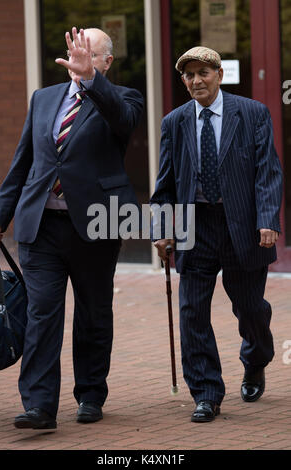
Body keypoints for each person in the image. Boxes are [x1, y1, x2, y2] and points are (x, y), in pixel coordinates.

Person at [0, 27, 143, 429]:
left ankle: (91, 394)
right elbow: (24, 160)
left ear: (106, 62)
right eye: (75, 50)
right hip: (40, 226)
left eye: (89, 53)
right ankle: (40, 406)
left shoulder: (124, 98)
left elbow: (123, 122)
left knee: (93, 313)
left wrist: (92, 81)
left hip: (96, 224)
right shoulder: (43, 99)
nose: (78, 57)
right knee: (42, 314)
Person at [150, 46, 282, 423]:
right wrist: (162, 229)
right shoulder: (174, 122)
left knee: (251, 309)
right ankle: (206, 392)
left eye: (202, 73)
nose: (196, 81)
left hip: (242, 225)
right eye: (188, 75)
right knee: (192, 312)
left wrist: (268, 219)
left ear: (219, 74)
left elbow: (268, 171)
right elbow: (165, 185)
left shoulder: (252, 113)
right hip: (196, 227)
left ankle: (256, 359)